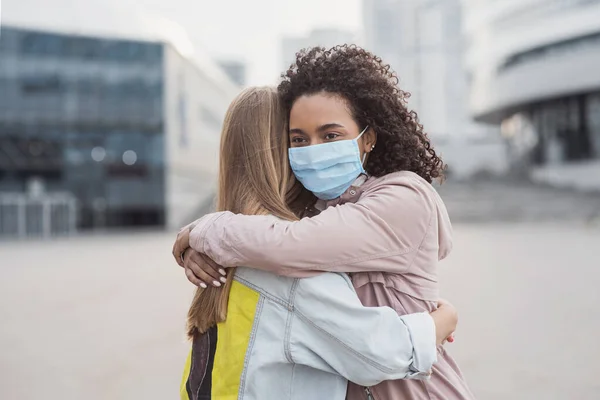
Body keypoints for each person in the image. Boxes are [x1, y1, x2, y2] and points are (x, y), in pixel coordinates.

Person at [175, 46, 475, 400]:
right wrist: (194, 240)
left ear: (368, 137)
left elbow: (291, 246)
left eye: (330, 136)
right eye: (298, 140)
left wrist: (203, 231)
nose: (312, 151)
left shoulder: (402, 197)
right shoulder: (317, 212)